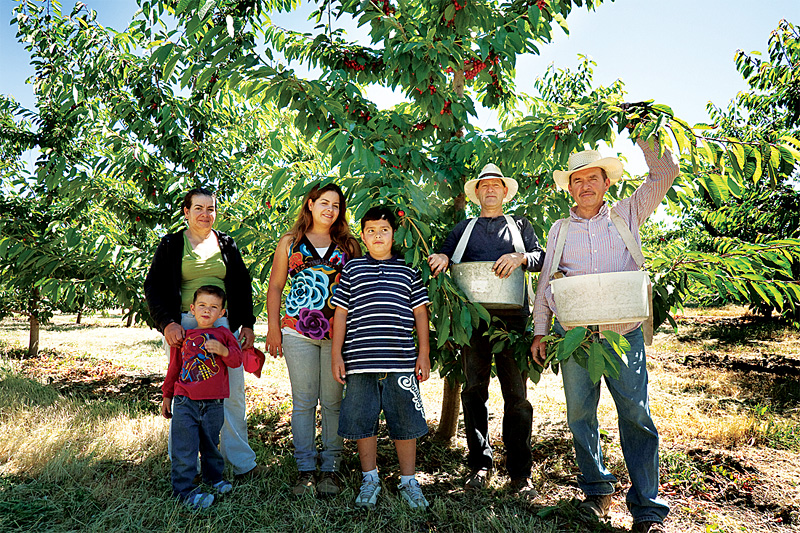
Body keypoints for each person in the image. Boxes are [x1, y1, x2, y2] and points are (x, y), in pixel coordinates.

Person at [530, 138, 679, 533]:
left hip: (622, 334)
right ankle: (596, 489)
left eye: (592, 178)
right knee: (580, 414)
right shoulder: (559, 229)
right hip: (575, 338)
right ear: (570, 187)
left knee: (636, 414)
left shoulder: (627, 213)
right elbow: (547, 281)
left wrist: (646, 131)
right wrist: (541, 331)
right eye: (577, 180)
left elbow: (666, 173)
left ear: (606, 183)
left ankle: (647, 508)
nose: (584, 187)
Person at [427, 164, 544, 494]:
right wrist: (440, 258)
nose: (490, 189)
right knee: (474, 390)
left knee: (517, 396)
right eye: (484, 186)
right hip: (472, 322)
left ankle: (521, 473)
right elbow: (444, 256)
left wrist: (521, 259)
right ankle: (480, 464)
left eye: (496, 185)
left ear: (505, 192)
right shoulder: (463, 229)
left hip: (513, 322)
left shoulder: (520, 226)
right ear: (476, 193)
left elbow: (541, 257)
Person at [145, 188, 265, 481]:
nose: (205, 214)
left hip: (223, 326)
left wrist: (246, 324)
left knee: (231, 392)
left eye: (210, 209)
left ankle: (240, 462)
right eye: (198, 208)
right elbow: (154, 287)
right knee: (186, 392)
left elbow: (241, 285)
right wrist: (167, 323)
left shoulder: (226, 243)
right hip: (184, 326)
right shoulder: (173, 244)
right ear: (186, 212)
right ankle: (186, 465)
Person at [330, 206, 431, 510]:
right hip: (360, 360)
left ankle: (409, 480)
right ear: (362, 235)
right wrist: (337, 354)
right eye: (371, 230)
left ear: (394, 234)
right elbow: (341, 314)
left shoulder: (408, 270)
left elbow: (420, 313)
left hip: (400, 359)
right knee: (363, 419)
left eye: (384, 230)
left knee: (405, 420)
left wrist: (423, 353)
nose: (377, 236)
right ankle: (369, 477)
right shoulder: (352, 269)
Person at [265, 183, 361, 497]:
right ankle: (305, 469)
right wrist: (274, 329)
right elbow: (276, 286)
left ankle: (331, 469)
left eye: (336, 205)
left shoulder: (349, 245)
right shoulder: (290, 242)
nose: (329, 209)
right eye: (323, 203)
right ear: (310, 204)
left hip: (337, 336)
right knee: (304, 403)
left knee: (333, 403)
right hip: (297, 331)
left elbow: (358, 294)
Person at [161, 285, 241, 509]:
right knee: (184, 446)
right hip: (185, 400)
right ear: (192, 309)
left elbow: (236, 361)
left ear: (222, 313)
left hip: (214, 402)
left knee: (211, 444)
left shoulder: (224, 335)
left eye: (214, 307)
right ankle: (184, 491)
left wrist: (224, 351)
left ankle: (213, 478)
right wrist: (167, 395)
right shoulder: (184, 337)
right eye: (203, 306)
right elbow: (174, 367)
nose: (207, 311)